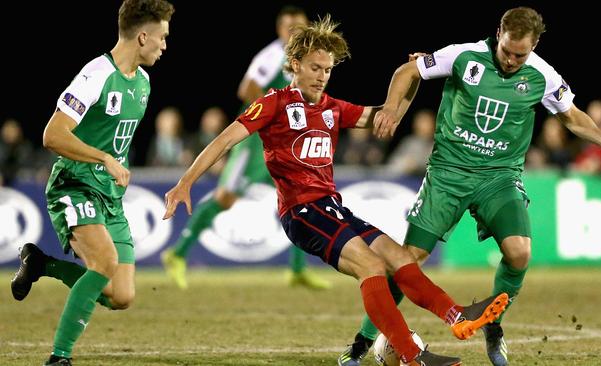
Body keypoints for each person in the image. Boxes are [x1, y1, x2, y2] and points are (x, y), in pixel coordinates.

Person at [163, 15, 509, 366]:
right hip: (302, 213)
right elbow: (225, 140)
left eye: (327, 69)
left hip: (333, 209)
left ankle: (457, 317)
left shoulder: (332, 109)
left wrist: (415, 77)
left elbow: (388, 116)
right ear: (295, 65)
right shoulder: (274, 103)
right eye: (315, 67)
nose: (322, 75)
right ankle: (411, 354)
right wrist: (185, 182)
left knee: (399, 258)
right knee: (372, 266)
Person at [338, 7, 601, 366]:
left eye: (521, 54)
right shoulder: (463, 55)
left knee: (519, 253)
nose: (513, 60)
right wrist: (391, 108)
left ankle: (492, 322)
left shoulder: (542, 75)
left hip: (499, 177)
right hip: (448, 173)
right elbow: (407, 71)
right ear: (499, 33)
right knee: (408, 260)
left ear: (535, 45)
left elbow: (571, 116)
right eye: (508, 51)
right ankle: (362, 341)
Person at [9, 1, 174, 365]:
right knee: (104, 262)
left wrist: (115, 169)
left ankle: (41, 264)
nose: (165, 45)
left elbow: (113, 138)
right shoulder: (96, 74)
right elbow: (53, 135)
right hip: (74, 183)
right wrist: (103, 159)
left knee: (122, 295)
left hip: (108, 196)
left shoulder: (143, 83)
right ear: (143, 36)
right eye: (162, 37)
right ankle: (59, 357)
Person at [160, 5, 331, 291]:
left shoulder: (306, 59)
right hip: (255, 140)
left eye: (298, 27)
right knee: (226, 198)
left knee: (300, 197)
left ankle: (297, 269)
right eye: (288, 27)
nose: (293, 32)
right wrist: (273, 113)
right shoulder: (274, 54)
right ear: (279, 30)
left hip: (284, 141)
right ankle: (177, 253)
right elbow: (247, 88)